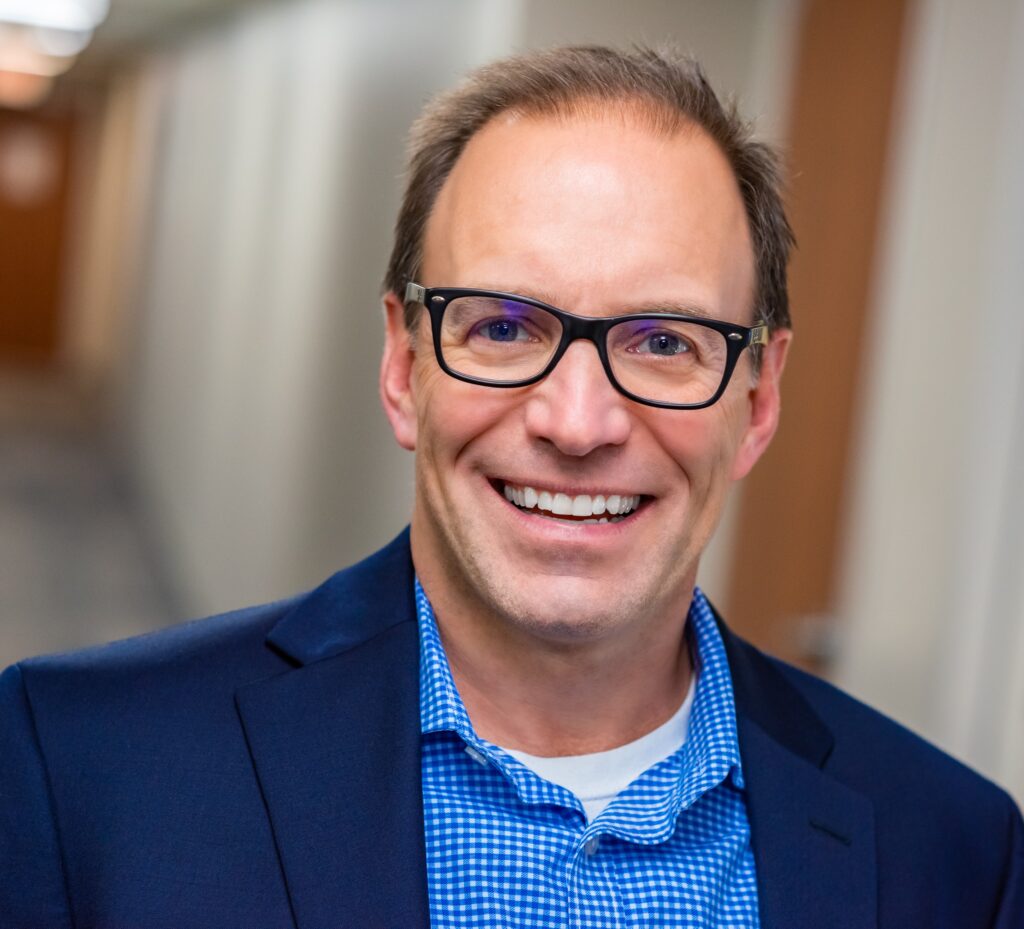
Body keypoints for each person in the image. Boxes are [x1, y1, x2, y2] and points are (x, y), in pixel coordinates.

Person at [1, 45, 1021, 929]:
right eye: (501, 327)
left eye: (664, 341)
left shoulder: (954, 855)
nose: (577, 423)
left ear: (757, 399)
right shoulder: (84, 767)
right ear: (402, 364)